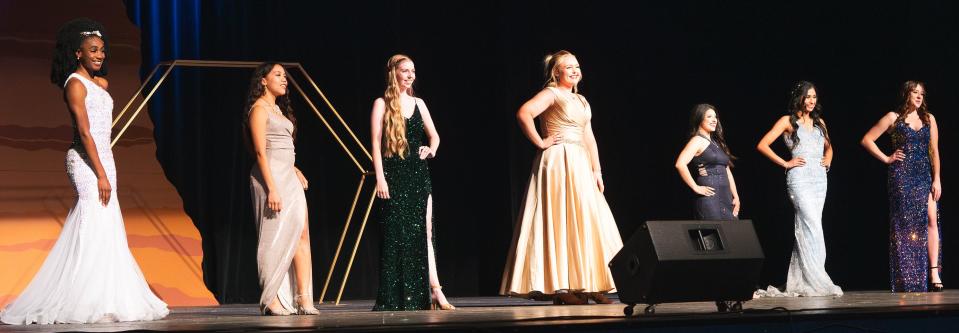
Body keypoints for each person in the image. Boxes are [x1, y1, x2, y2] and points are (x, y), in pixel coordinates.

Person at [0, 18, 169, 325]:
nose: (99, 55)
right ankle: (84, 298)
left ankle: (106, 296)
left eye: (102, 50)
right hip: (86, 161)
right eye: (93, 50)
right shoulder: (75, 85)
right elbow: (86, 132)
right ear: (78, 53)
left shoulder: (100, 84)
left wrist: (107, 169)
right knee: (93, 222)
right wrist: (101, 174)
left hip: (106, 159)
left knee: (107, 224)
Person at [501, 50, 623, 305]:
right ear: (556, 72)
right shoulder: (552, 93)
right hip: (559, 161)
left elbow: (589, 137)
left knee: (586, 220)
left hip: (580, 161)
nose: (575, 70)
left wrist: (597, 169)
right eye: (568, 67)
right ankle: (563, 287)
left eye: (577, 66)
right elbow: (524, 113)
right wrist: (540, 142)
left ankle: (589, 284)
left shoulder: (581, 100)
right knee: (561, 220)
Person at [370, 54, 453, 311]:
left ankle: (436, 291)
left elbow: (435, 136)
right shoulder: (381, 104)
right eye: (405, 71)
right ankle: (398, 295)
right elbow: (374, 142)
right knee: (396, 236)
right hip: (393, 175)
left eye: (413, 71)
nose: (410, 75)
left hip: (418, 175)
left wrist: (431, 149)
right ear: (393, 73)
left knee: (423, 233)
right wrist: (380, 178)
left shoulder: (419, 103)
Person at [755, 81, 842, 297]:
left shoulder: (820, 122)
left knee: (810, 228)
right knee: (812, 225)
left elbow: (829, 148)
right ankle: (818, 278)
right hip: (800, 179)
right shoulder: (787, 121)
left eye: (814, 97)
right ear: (799, 98)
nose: (812, 101)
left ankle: (806, 279)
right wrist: (786, 163)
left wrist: (828, 160)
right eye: (808, 97)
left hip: (820, 180)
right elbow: (762, 144)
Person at [245, 62, 319, 315]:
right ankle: (271, 298)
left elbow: (284, 149)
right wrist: (272, 189)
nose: (284, 79)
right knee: (273, 239)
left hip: (288, 176)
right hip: (270, 179)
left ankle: (303, 298)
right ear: (263, 80)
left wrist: (295, 169)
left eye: (285, 76)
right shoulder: (259, 109)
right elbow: (260, 152)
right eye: (277, 74)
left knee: (301, 235)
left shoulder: (278, 110)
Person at [861, 81, 942, 292]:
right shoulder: (893, 118)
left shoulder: (929, 118)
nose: (919, 96)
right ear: (906, 94)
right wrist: (887, 158)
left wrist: (937, 179)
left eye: (921, 93)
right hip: (901, 177)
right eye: (915, 92)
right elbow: (867, 139)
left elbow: (934, 151)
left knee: (932, 219)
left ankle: (934, 272)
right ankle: (907, 277)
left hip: (924, 175)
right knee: (905, 227)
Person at [674, 104, 740, 220]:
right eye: (709, 116)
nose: (714, 120)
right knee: (714, 235)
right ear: (699, 119)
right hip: (711, 197)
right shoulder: (697, 140)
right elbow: (680, 164)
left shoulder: (718, 143)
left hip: (727, 197)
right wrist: (695, 187)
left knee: (732, 234)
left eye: (715, 117)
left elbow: (727, 170)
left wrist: (736, 196)